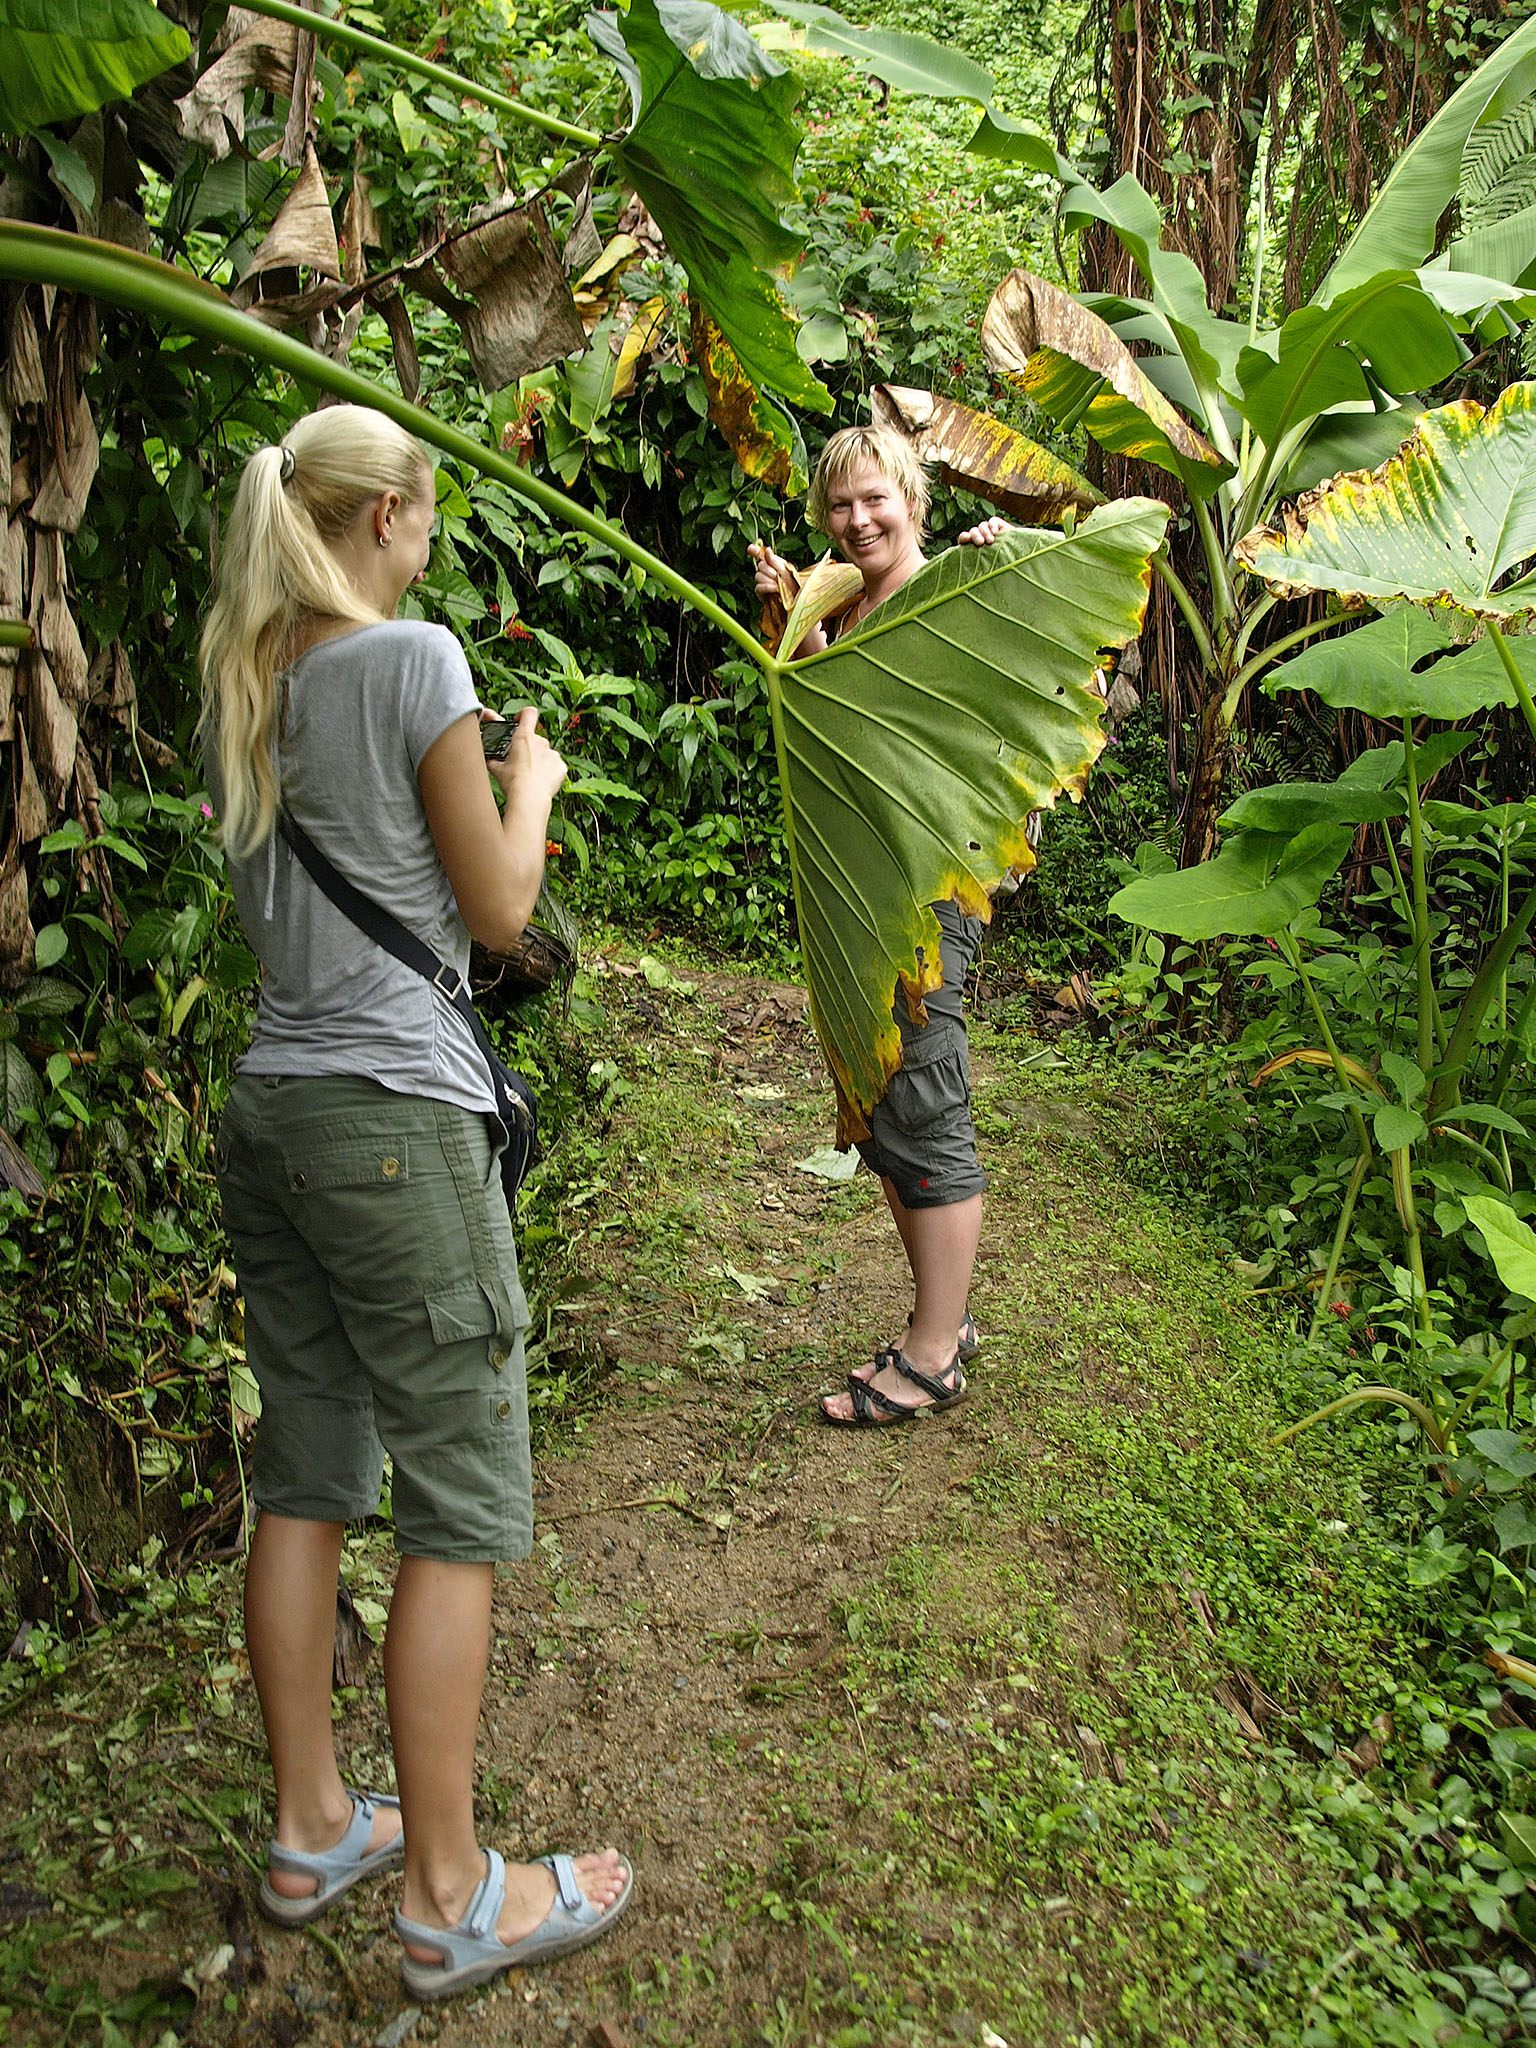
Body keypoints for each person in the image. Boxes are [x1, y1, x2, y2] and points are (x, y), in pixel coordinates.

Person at [201, 404, 631, 2000]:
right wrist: (536, 782)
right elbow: (501, 913)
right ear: (384, 517)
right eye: (430, 518)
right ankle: (452, 1895)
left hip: (273, 1115)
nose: (433, 544)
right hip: (392, 1121)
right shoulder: (412, 660)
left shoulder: (249, 680)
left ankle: (314, 1826)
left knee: (307, 1473)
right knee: (457, 1502)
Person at [748, 424, 1006, 1429]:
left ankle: (933, 1357)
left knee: (923, 1085)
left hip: (936, 875)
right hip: (881, 876)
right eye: (840, 505)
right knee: (890, 1089)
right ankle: (941, 1319)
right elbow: (851, 723)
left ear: (914, 502)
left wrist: (999, 560)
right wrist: (798, 626)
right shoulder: (857, 604)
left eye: (875, 500)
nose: (857, 520)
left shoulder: (950, 588)